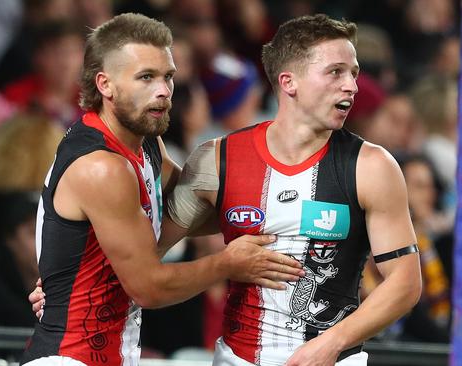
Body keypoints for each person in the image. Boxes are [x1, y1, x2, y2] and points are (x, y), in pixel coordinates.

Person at [20, 13, 303, 366]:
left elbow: (197, 211)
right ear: (105, 85)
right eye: (146, 77)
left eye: (168, 76)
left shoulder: (146, 144)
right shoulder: (101, 166)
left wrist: (276, 205)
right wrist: (228, 264)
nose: (164, 91)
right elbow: (148, 288)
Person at [160, 14, 422, 366]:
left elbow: (405, 283)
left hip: (333, 359)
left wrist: (332, 343)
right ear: (289, 82)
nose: (352, 86)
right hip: (237, 358)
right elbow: (148, 260)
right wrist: (220, 266)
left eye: (353, 73)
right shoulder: (218, 159)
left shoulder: (372, 166)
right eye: (335, 72)